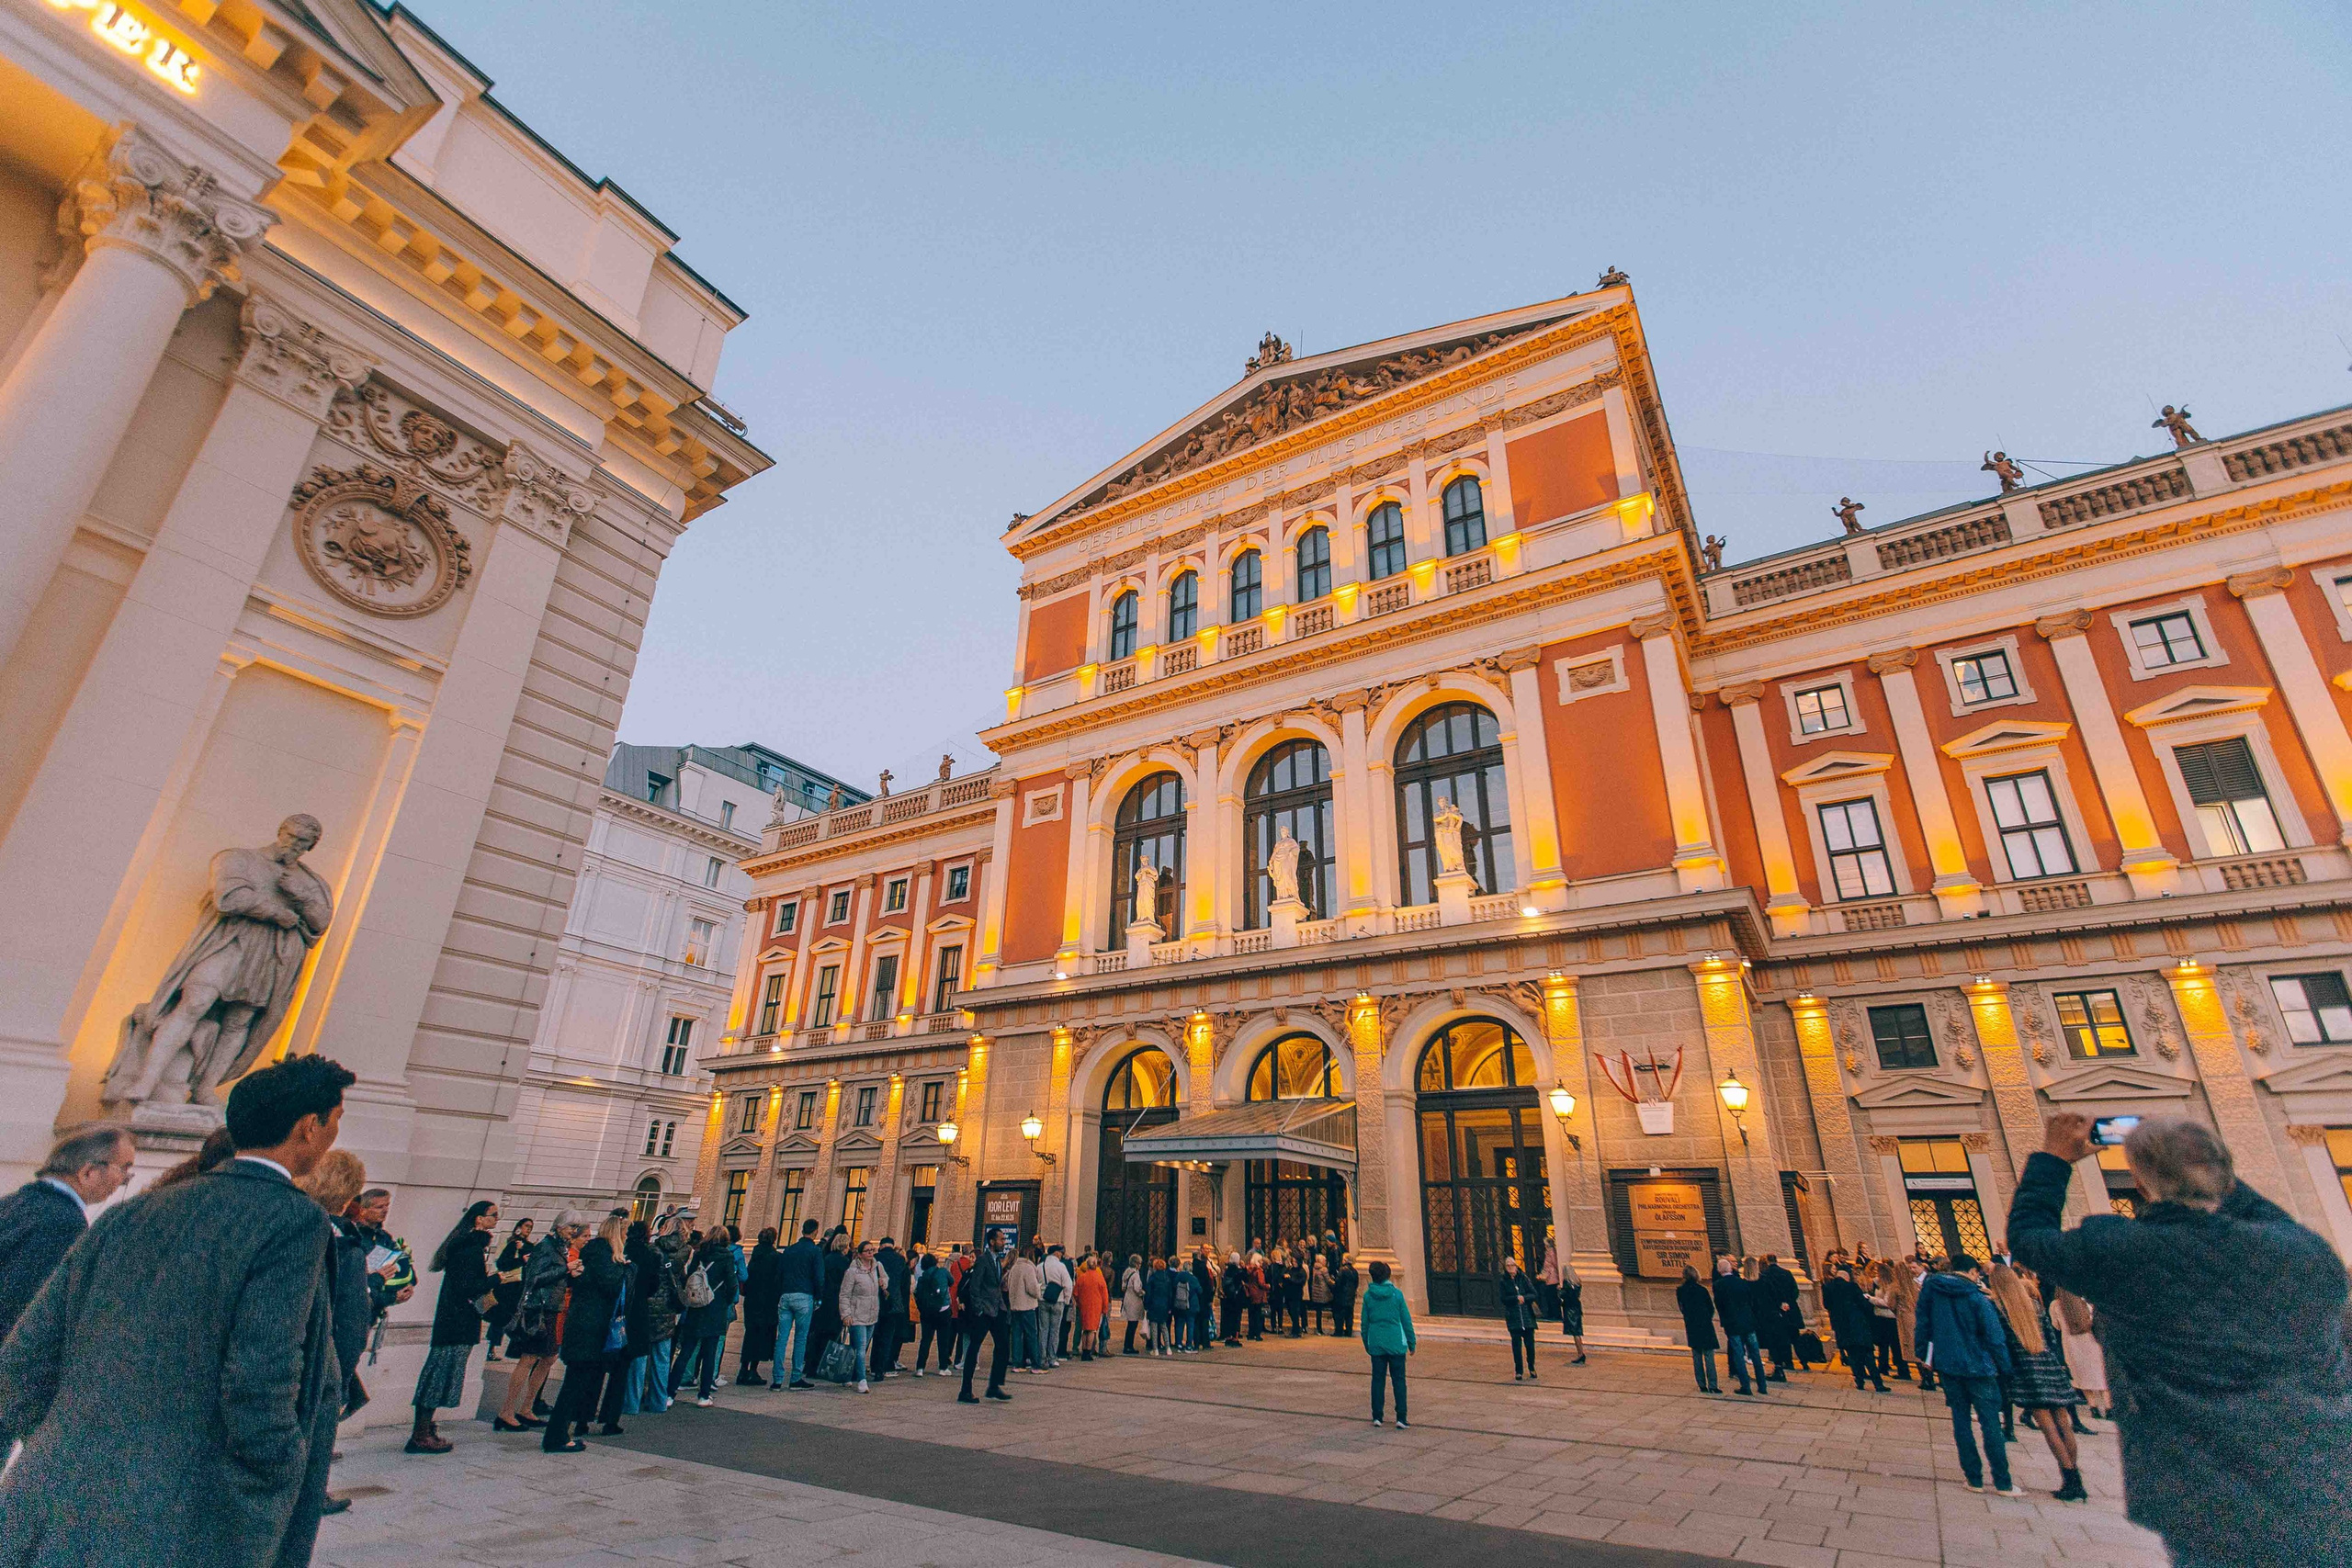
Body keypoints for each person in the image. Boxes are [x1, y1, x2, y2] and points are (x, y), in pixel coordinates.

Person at [0, 1054, 354, 1567]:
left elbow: (27, 1354)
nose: (333, 1138)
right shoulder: (292, 1219)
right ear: (308, 1127)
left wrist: (54, 1441)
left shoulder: (131, 1210)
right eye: (335, 1122)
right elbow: (262, 1371)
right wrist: (277, 1472)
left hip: (59, 1484)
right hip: (184, 1504)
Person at [2008, 1113, 2352, 1564]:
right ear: (2224, 1172)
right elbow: (2263, 1214)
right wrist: (2199, 1160)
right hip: (2324, 1470)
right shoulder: (2305, 1251)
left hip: (2205, 1490)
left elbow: (2029, 1238)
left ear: (2140, 1182)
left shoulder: (2126, 1253)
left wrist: (2053, 1159)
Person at [0, 1122, 134, 1346]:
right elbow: (27, 1312)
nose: (124, 1181)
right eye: (123, 1168)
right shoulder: (65, 1223)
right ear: (88, 1172)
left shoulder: (15, 1202)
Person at [297, 1149, 368, 1517]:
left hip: (291, 1352)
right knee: (316, 1434)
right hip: (324, 1357)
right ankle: (312, 1494)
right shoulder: (345, 1241)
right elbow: (352, 1315)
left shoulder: (294, 1223)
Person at [1914, 1254, 2018, 1496]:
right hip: (1979, 1366)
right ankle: (2003, 1482)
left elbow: (1922, 1323)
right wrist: (2006, 1367)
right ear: (1971, 1272)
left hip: (1948, 1365)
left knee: (1960, 1421)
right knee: (1990, 1422)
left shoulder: (1933, 1291)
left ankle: (1974, 1479)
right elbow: (1994, 1336)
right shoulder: (1976, 1297)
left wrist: (1924, 1356)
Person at [1986, 1261, 2085, 1500]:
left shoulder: (1998, 1308)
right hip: (2048, 1365)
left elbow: (2000, 1344)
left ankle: (2069, 1480)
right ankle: (2076, 1477)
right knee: (2064, 1423)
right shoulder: (2035, 1306)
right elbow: (2051, 1338)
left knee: (2048, 1427)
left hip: (2026, 1370)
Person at [407, 1198, 498, 1454]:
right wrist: (498, 1279)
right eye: (492, 1215)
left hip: (455, 1321)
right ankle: (420, 1433)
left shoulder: (467, 1246)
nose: (495, 1220)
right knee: (438, 1376)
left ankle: (425, 1428)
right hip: (456, 1322)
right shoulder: (469, 1249)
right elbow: (469, 1286)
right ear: (479, 1219)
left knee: (440, 1374)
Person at [541, 1213, 628, 1452]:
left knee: (575, 1385)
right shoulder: (605, 1259)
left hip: (583, 1328)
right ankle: (557, 1436)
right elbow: (611, 1287)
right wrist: (625, 1268)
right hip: (589, 1331)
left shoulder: (592, 1255)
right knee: (574, 1386)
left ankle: (560, 1433)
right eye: (624, 1233)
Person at [497, 1213, 580, 1428]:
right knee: (529, 1358)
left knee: (549, 1357)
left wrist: (570, 1273)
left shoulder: (558, 1247)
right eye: (572, 1226)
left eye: (576, 1227)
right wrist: (566, 1269)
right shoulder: (545, 1247)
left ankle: (526, 1407)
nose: (574, 1231)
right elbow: (534, 1277)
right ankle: (507, 1411)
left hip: (550, 1308)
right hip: (538, 1309)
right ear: (559, 1226)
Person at [670, 1229, 739, 1407]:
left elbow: (689, 1278)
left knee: (686, 1351)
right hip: (716, 1308)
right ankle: (703, 1395)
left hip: (697, 1307)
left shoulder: (699, 1254)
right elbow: (732, 1284)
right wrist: (727, 1301)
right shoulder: (727, 1257)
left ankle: (669, 1393)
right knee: (710, 1353)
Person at [625, 1216, 682, 1415]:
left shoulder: (652, 1250)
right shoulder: (686, 1250)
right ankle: (658, 1402)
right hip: (667, 1308)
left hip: (647, 1307)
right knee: (662, 1358)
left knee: (640, 1357)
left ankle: (632, 1402)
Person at [956, 1229, 1012, 1403]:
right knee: (974, 1348)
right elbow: (975, 1286)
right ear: (992, 1242)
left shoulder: (996, 1261)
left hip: (996, 1311)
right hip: (984, 1312)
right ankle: (965, 1390)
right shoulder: (983, 1260)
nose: (1004, 1242)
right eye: (1001, 1239)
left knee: (1003, 1346)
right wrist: (979, 1309)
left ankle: (994, 1386)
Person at [1359, 1258, 1415, 1427]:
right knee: (1399, 1380)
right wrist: (1411, 1342)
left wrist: (1367, 1343)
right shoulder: (1396, 1294)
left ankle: (1377, 1416)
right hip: (1396, 1342)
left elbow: (1364, 1323)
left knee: (1377, 1380)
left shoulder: (1368, 1296)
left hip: (1376, 1341)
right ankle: (1401, 1417)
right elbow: (1406, 1320)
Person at [772, 1217, 823, 1390]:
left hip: (786, 1295)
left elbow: (779, 1274)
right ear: (815, 1231)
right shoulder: (815, 1251)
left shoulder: (789, 1250)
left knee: (782, 1338)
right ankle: (795, 1378)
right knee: (801, 1338)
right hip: (804, 1295)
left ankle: (777, 1379)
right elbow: (819, 1277)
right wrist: (819, 1297)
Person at [1821, 1265, 1887, 1392]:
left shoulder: (1828, 1287)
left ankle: (1859, 1381)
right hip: (1857, 1324)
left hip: (1841, 1325)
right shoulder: (1852, 1286)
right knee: (1868, 1354)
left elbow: (1826, 1304)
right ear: (1847, 1276)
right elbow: (1863, 1304)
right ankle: (1878, 1383)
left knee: (1852, 1355)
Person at [1711, 1255, 1768, 1396]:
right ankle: (1762, 1385)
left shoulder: (1718, 1286)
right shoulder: (1742, 1282)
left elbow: (1719, 1306)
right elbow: (1751, 1301)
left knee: (1738, 1354)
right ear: (1730, 1269)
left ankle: (1745, 1386)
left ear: (1719, 1271)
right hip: (1748, 1322)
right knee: (1755, 1354)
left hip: (1732, 1324)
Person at [737, 1226, 784, 1385]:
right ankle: (753, 1370)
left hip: (752, 1300)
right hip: (768, 1302)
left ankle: (744, 1369)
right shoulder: (775, 1257)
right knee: (762, 1334)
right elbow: (778, 1280)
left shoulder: (755, 1256)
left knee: (750, 1333)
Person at [2052, 1288, 2108, 1418]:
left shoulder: (2055, 1305)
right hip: (2090, 1342)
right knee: (2100, 1376)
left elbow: (2056, 1325)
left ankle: (2093, 1407)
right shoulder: (2084, 1302)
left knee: (2082, 1376)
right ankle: (2108, 1407)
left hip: (2071, 1345)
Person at [838, 1238, 884, 1393]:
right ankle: (862, 1380)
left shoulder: (877, 1267)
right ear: (860, 1254)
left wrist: (884, 1282)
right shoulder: (852, 1272)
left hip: (872, 1314)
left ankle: (847, 1376)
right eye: (868, 1251)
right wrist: (846, 1314)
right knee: (860, 1347)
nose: (871, 1253)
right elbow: (844, 1294)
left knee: (858, 1348)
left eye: (873, 1250)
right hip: (857, 1315)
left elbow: (885, 1278)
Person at [484, 1217, 534, 1360]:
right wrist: (519, 1258)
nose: (528, 1229)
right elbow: (502, 1263)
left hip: (520, 1286)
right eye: (526, 1226)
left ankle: (500, 1347)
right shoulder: (512, 1243)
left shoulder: (527, 1245)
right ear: (519, 1226)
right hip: (508, 1284)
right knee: (501, 1318)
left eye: (530, 1227)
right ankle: (492, 1347)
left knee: (511, 1317)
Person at [1676, 1264, 1721, 1393]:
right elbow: (1711, 1308)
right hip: (1705, 1324)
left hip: (1691, 1325)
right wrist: (1707, 1317)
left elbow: (1682, 1308)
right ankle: (1713, 1384)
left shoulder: (1680, 1290)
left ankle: (1701, 1383)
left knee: (1696, 1355)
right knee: (1709, 1355)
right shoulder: (1702, 1290)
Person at [1757, 1253, 1800, 1382]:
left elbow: (1768, 1295)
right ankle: (1793, 1361)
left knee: (1776, 1339)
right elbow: (1795, 1290)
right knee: (1790, 1336)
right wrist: (1788, 1303)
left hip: (1774, 1312)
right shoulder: (1787, 1273)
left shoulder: (1764, 1276)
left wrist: (1779, 1304)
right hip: (1789, 1310)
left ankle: (1779, 1364)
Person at [1499, 1253, 1542, 1382]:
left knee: (1530, 1345)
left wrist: (1524, 1298)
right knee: (1516, 1346)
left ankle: (1532, 1367)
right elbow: (1503, 1298)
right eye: (1508, 1266)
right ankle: (1519, 1371)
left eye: (1513, 1265)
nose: (1511, 1268)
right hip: (1514, 1318)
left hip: (1527, 1316)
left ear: (1517, 1266)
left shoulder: (1523, 1278)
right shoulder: (1504, 1281)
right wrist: (1515, 1299)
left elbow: (1534, 1293)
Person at [914, 1250, 958, 1372]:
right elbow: (952, 1281)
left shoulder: (923, 1278)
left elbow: (917, 1293)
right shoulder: (943, 1272)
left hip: (927, 1312)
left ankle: (920, 1368)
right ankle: (943, 1367)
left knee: (926, 1340)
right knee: (943, 1340)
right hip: (943, 1310)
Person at [1004, 1242, 1044, 1371]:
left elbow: (1009, 1285)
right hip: (1027, 1306)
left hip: (1015, 1306)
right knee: (1031, 1335)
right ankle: (1036, 1364)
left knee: (1016, 1335)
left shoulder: (1015, 1267)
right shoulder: (1028, 1268)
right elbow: (1032, 1289)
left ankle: (1017, 1363)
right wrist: (1039, 1289)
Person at [876, 1236, 910, 1376]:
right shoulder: (900, 1260)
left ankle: (873, 1365)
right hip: (893, 1303)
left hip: (876, 1301)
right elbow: (905, 1285)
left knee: (874, 1334)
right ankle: (884, 1367)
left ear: (881, 1245)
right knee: (888, 1336)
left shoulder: (875, 1258)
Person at [1038, 1244, 1071, 1370]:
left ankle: (1042, 1358)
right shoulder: (1061, 1266)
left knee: (1043, 1329)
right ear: (1056, 1253)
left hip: (1042, 1299)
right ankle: (1052, 1357)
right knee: (1054, 1330)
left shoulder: (1040, 1266)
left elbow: (1036, 1282)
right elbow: (1068, 1284)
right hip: (1058, 1300)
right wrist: (1067, 1300)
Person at [1556, 1254, 1588, 1363]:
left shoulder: (1567, 1284)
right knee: (1577, 1332)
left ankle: (1580, 1353)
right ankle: (1580, 1353)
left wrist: (1560, 1290)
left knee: (1575, 1333)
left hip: (1570, 1310)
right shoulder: (1577, 1283)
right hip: (1577, 1308)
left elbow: (1563, 1296)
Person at [1120, 1253, 1146, 1354]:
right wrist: (1143, 1293)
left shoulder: (1126, 1273)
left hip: (1127, 1298)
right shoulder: (1135, 1275)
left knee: (1130, 1324)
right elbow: (1137, 1288)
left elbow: (1123, 1287)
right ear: (1136, 1264)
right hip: (1134, 1301)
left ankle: (1127, 1345)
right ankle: (1129, 1346)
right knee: (1133, 1325)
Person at [1307, 1250, 1332, 1333]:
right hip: (1323, 1292)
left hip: (1315, 1292)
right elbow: (1328, 1281)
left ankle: (1319, 1328)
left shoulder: (1315, 1268)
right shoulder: (1324, 1269)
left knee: (1318, 1312)